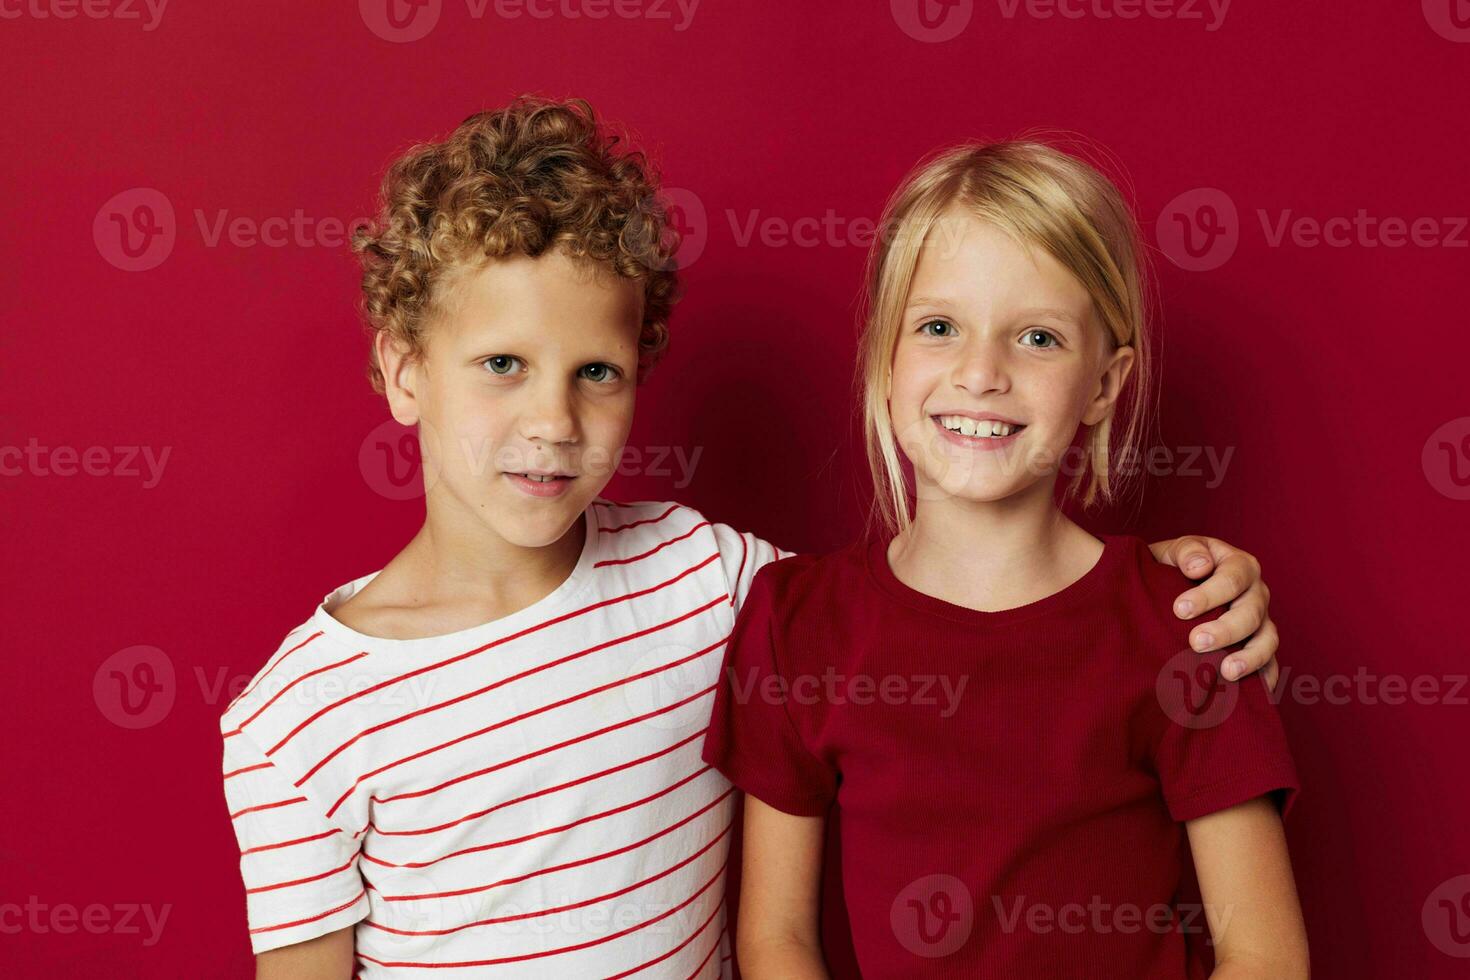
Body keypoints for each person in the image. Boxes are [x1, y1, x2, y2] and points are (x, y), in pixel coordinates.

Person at [220, 98, 1283, 979]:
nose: (551, 420)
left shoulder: (711, 582)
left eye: (597, 372)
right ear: (405, 369)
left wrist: (1200, 580)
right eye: (502, 363)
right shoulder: (294, 722)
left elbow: (947, 601)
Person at [703, 141, 1308, 978]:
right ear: (885, 354)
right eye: (940, 327)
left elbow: (1264, 955)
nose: (981, 373)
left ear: (1104, 384)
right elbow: (777, 940)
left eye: (1038, 337)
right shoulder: (797, 621)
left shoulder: (1188, 622)